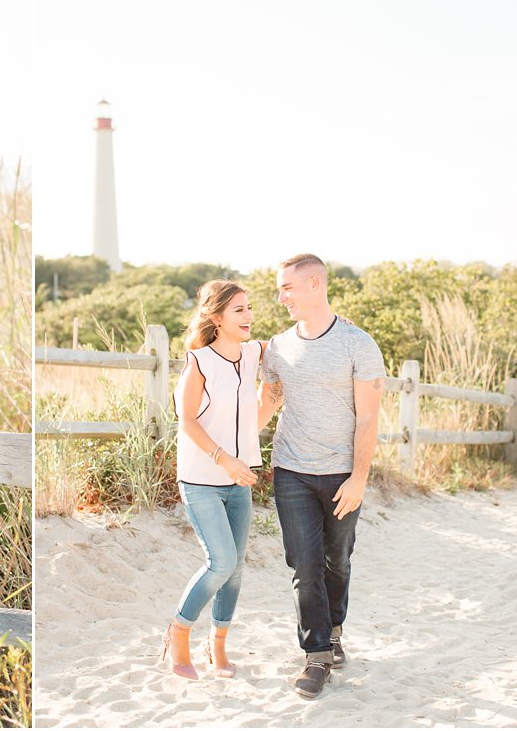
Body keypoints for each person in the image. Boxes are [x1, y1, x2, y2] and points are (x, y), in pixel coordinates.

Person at [260, 253, 385, 699]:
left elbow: (368, 419)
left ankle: (333, 630)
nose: (281, 297)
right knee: (304, 565)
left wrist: (359, 479)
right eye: (279, 289)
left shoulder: (358, 344)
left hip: (341, 475)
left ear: (315, 284)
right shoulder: (276, 347)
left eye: (287, 287)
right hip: (291, 470)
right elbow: (266, 404)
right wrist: (223, 447)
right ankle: (315, 656)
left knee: (338, 560)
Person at [163, 280, 271, 680]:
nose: (249, 316)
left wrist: (269, 405)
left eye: (249, 307)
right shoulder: (199, 362)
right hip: (201, 479)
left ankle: (218, 646)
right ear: (216, 317)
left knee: (237, 567)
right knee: (221, 562)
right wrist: (224, 460)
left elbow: (248, 424)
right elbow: (187, 420)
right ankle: (178, 634)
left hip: (237, 479)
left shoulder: (253, 354)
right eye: (239, 310)